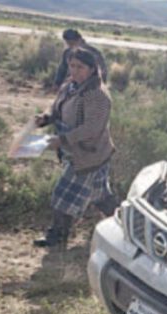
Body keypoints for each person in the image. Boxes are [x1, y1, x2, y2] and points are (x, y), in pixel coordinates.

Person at [34, 48, 117, 248]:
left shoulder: (97, 95)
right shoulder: (70, 86)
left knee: (63, 194)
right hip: (76, 151)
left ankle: (57, 236)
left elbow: (91, 128)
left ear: (92, 69)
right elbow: (56, 107)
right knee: (99, 195)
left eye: (80, 67)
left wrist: (62, 140)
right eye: (72, 65)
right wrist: (45, 118)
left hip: (89, 153)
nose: (75, 70)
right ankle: (124, 223)